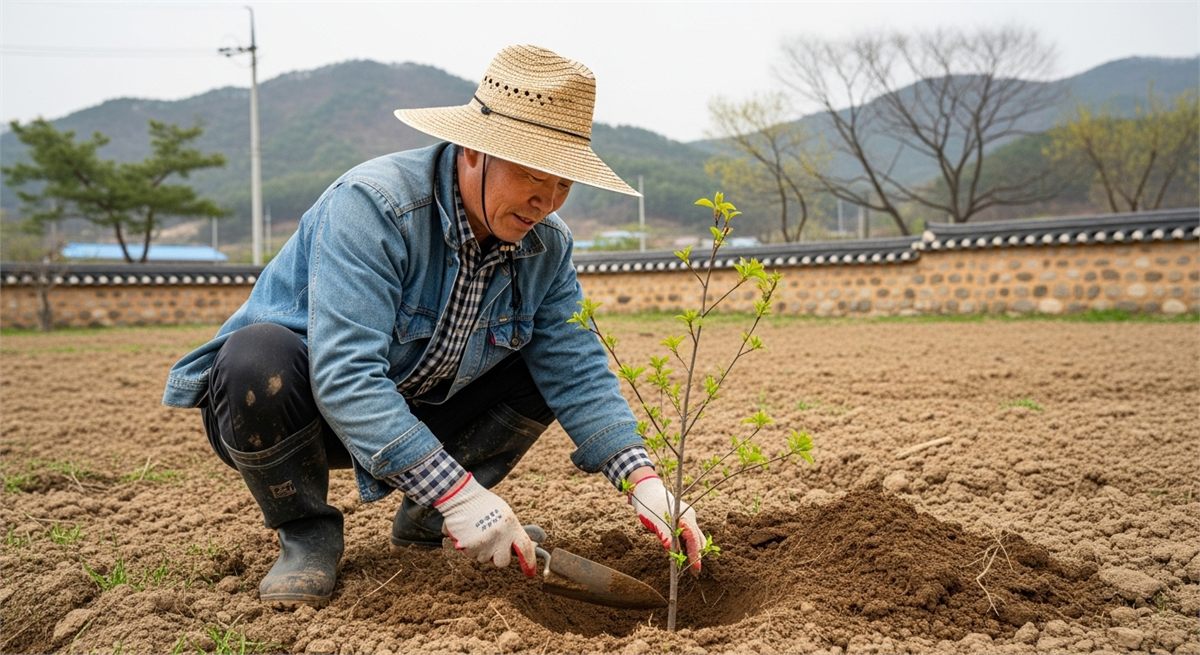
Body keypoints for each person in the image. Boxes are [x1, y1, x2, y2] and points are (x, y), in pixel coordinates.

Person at [162, 44, 705, 609]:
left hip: (422, 403)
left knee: (541, 369)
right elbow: (346, 377)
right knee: (257, 357)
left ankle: (428, 521)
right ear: (475, 150)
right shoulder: (373, 208)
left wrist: (644, 481)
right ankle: (307, 536)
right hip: (303, 413)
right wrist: (460, 492)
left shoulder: (547, 245)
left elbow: (576, 365)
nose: (545, 202)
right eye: (531, 176)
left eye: (564, 185)